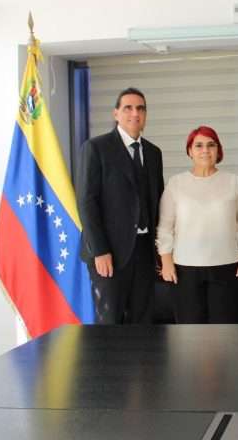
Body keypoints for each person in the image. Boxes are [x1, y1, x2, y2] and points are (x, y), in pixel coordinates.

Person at [77, 87, 164, 324]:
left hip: (145, 253)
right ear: (116, 113)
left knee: (143, 322)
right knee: (110, 324)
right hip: (110, 253)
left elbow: (157, 201)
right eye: (128, 108)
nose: (135, 113)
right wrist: (100, 250)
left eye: (141, 108)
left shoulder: (154, 153)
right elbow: (86, 202)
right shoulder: (96, 148)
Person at [156, 126, 238, 324]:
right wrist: (166, 261)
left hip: (228, 267)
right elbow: (165, 227)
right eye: (199, 145)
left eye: (211, 145)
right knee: (189, 331)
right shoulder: (176, 184)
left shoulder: (233, 181)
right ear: (190, 151)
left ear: (218, 150)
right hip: (184, 270)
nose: (205, 150)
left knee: (227, 329)